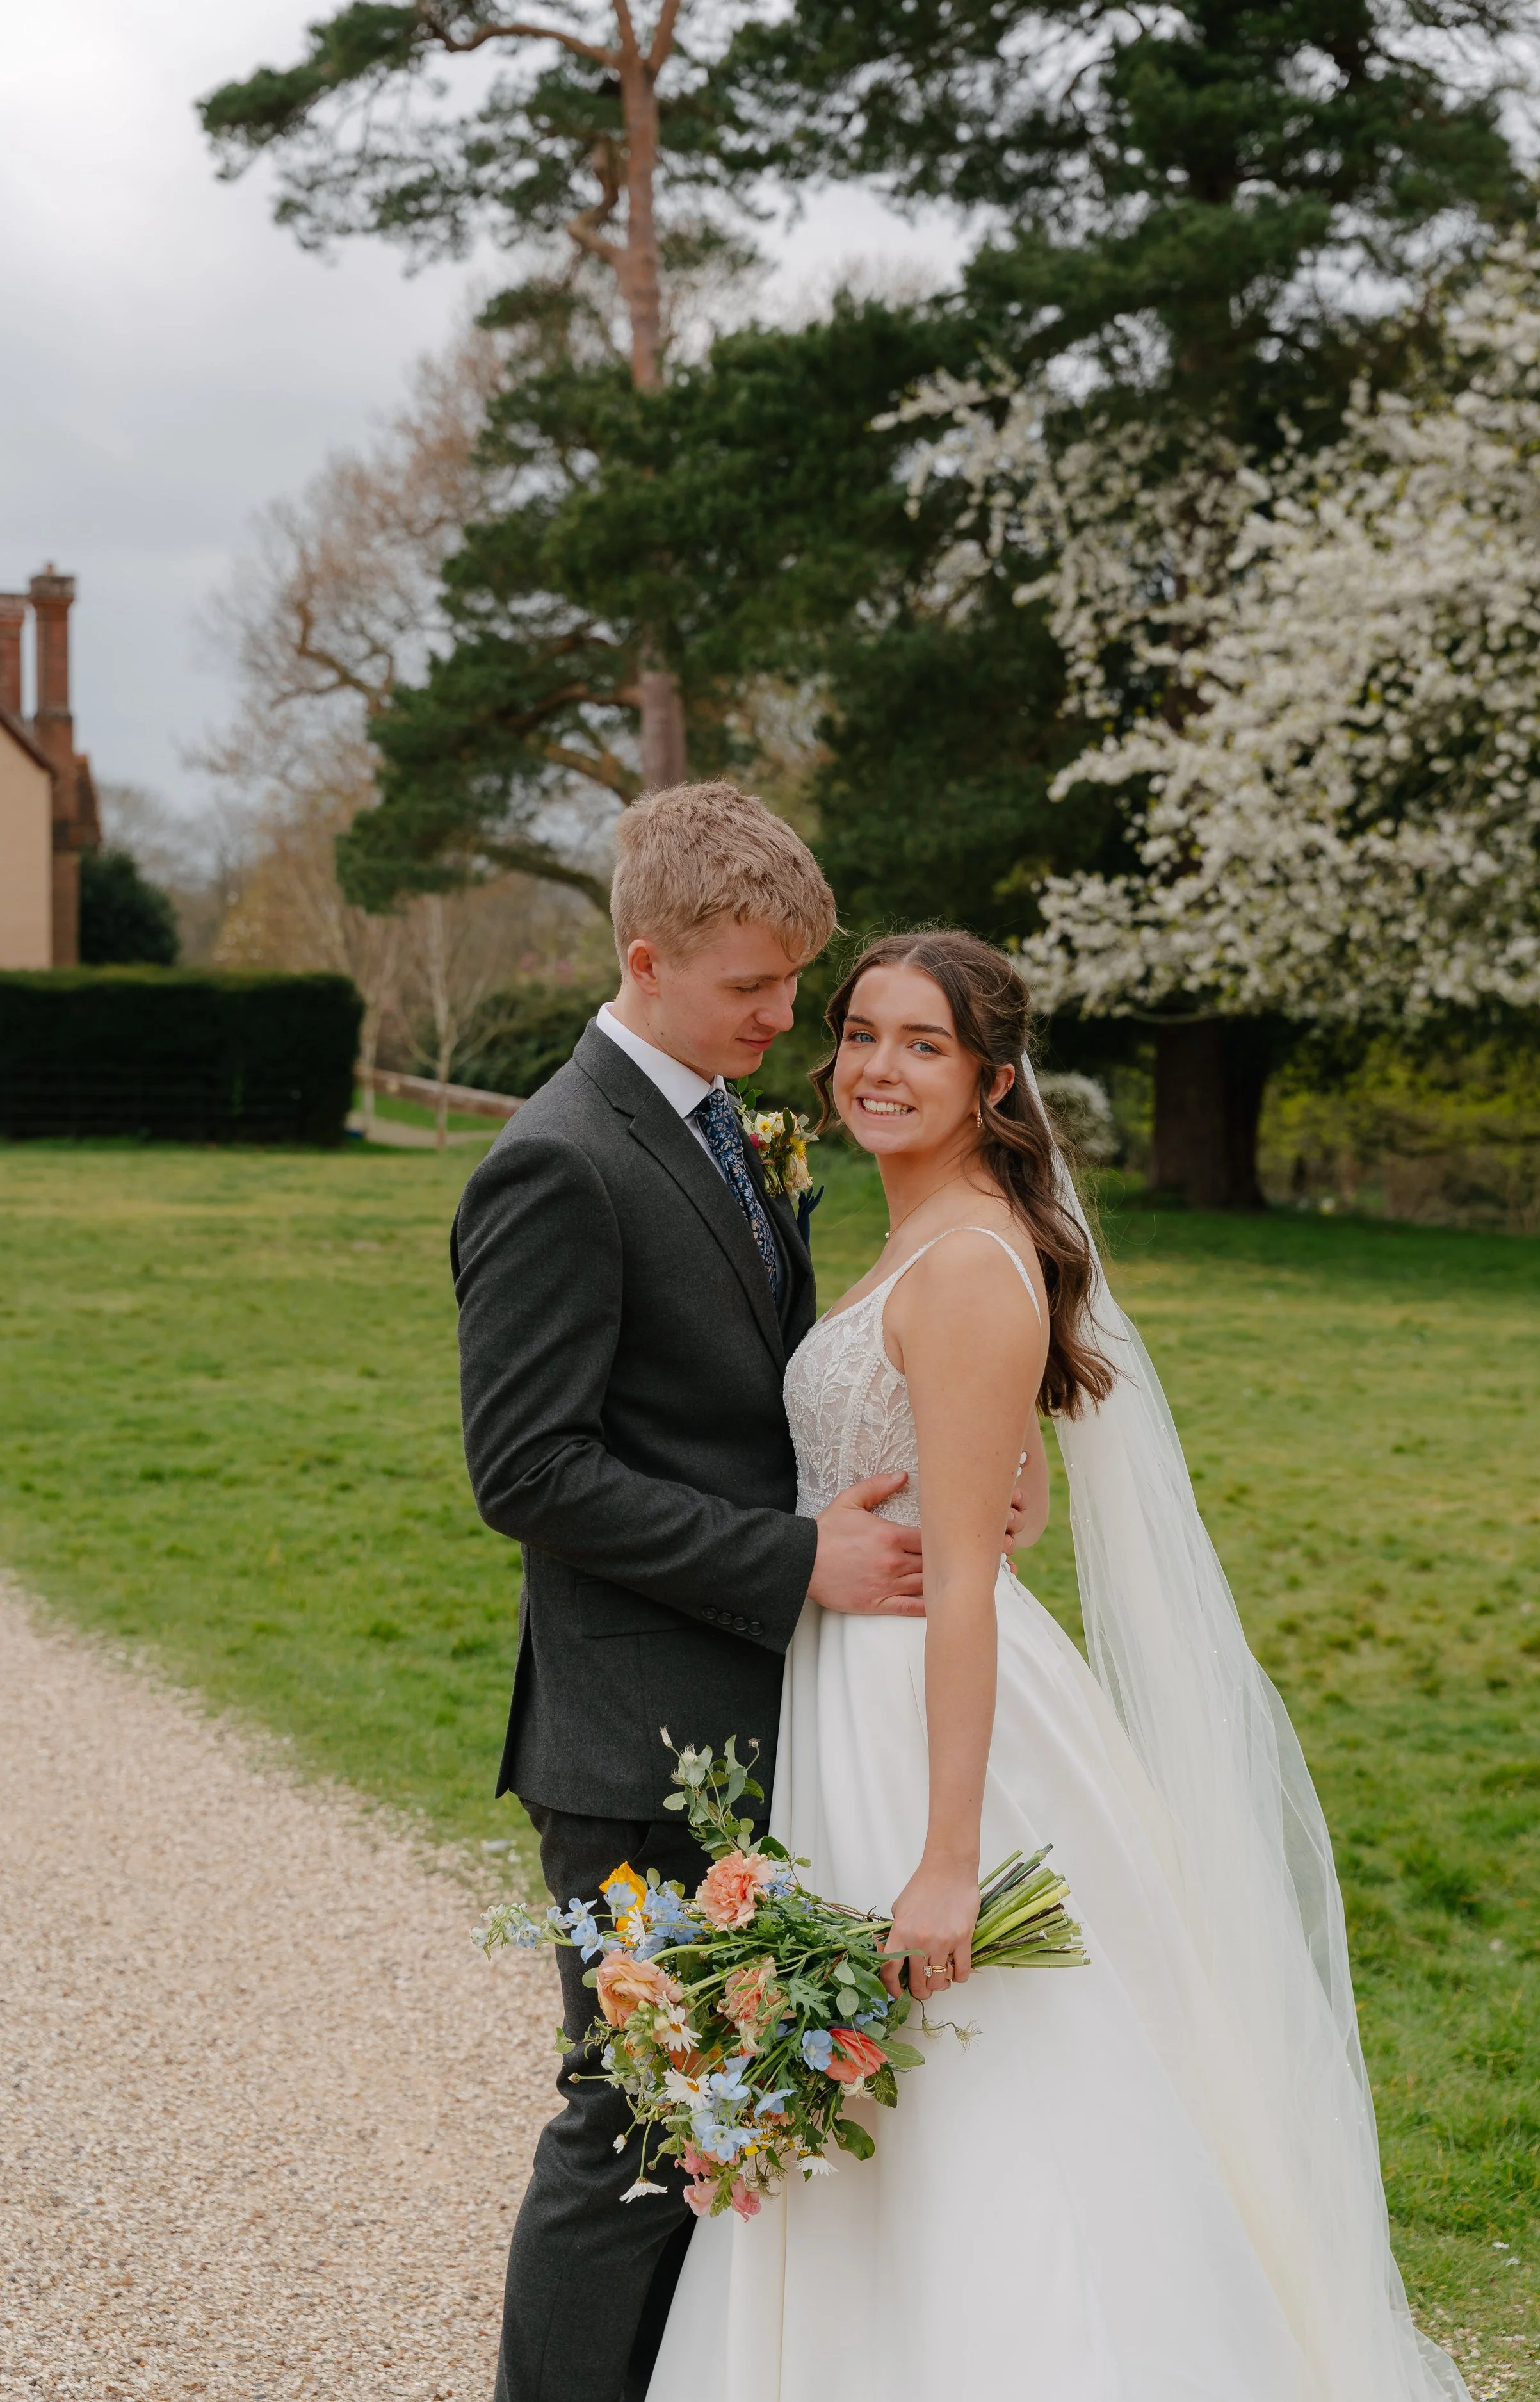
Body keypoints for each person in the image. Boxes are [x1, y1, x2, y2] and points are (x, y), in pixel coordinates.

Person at [647, 930, 1470, 2402]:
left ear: (992, 1083)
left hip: (930, 1721)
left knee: (990, 2099)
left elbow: (965, 1573)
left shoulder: (965, 1261)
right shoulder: (911, 1229)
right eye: (859, 1034)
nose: (875, 1068)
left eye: (921, 1046)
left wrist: (948, 1856)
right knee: (895, 2098)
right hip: (848, 1689)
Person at [453, 792, 1023, 2402]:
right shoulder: (559, 1162)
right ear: (645, 958)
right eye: (755, 992)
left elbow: (757, 1398)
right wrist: (794, 1560)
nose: (793, 1026)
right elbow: (529, 1471)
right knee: (631, 2128)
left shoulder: (711, 1119)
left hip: (758, 1709)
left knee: (729, 2121)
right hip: (631, 1741)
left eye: (800, 987)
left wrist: (946, 1467)